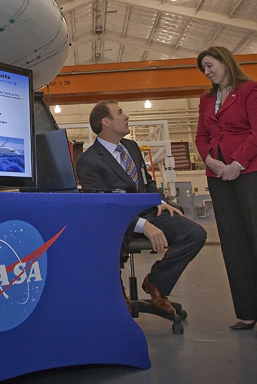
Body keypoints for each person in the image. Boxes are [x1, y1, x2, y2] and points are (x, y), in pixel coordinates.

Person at [195, 46, 257, 342]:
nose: (207, 72)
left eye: (210, 65)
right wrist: (210, 161)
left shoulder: (250, 90)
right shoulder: (206, 99)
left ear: (225, 62)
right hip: (218, 176)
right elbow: (201, 136)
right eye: (203, 68)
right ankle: (248, 311)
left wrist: (237, 164)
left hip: (249, 174)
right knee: (234, 245)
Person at [76, 100, 207, 314]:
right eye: (120, 113)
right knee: (106, 241)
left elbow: (147, 182)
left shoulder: (132, 147)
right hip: (116, 221)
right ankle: (117, 297)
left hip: (148, 210)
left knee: (195, 234)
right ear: (106, 122)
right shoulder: (88, 161)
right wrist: (142, 225)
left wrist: (161, 202)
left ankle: (156, 283)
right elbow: (103, 205)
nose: (126, 116)